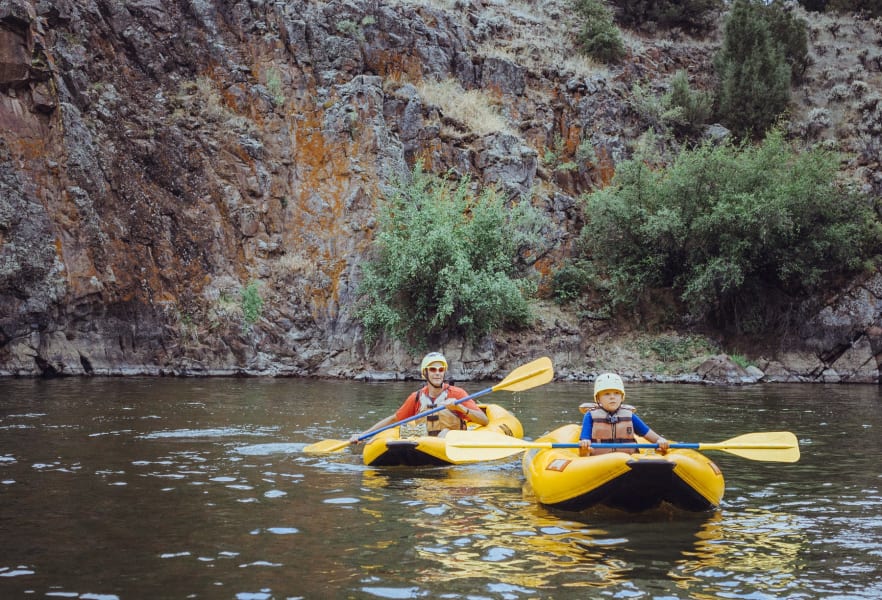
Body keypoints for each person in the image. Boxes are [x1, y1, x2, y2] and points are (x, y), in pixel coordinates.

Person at [349, 352, 488, 443]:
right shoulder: (416, 398)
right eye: (433, 370)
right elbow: (393, 419)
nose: (438, 373)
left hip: (451, 442)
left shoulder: (457, 394)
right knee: (407, 432)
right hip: (425, 444)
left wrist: (460, 407)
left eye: (441, 370)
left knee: (445, 432)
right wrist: (363, 435)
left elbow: (484, 420)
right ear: (425, 373)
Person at [578, 372, 670, 457]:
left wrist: (660, 441)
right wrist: (585, 444)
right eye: (606, 394)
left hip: (628, 461)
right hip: (599, 461)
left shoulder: (629, 416)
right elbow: (585, 440)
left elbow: (652, 436)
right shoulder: (590, 416)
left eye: (617, 393)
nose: (612, 397)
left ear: (622, 397)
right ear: (598, 398)